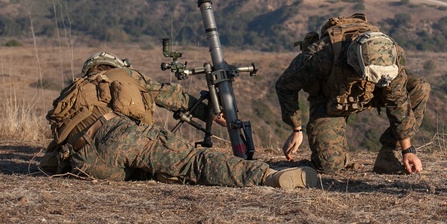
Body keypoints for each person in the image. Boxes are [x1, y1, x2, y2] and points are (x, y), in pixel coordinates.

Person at [39, 52, 319, 190]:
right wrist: (210, 113)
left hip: (86, 164)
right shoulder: (122, 76)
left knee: (154, 171)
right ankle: (268, 176)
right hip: (118, 135)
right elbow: (171, 97)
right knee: (191, 160)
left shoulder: (74, 94)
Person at [275, 14, 429, 175]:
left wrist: (407, 150)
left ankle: (389, 155)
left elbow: (397, 102)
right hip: (331, 99)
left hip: (371, 93)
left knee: (420, 86)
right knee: (329, 166)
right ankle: (338, 157)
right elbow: (285, 85)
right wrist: (296, 128)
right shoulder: (320, 55)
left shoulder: (392, 56)